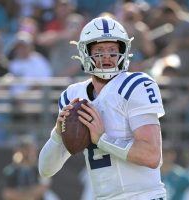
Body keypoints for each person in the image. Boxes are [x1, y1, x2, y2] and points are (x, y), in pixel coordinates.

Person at [39, 16, 166, 200]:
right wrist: (57, 135)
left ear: (123, 51)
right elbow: (46, 169)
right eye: (99, 50)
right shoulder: (73, 96)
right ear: (85, 52)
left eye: (112, 50)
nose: (106, 56)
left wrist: (102, 139)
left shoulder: (135, 85)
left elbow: (151, 155)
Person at [1, 136, 50, 200]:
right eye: (27, 149)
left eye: (32, 149)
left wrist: (21, 194)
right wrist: (29, 194)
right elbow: (7, 193)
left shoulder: (41, 169)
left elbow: (43, 188)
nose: (31, 152)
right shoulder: (10, 170)